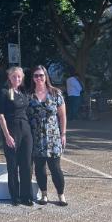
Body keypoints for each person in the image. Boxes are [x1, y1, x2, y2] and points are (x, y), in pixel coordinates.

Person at [28, 65, 68, 206]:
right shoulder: (29, 95)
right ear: (32, 78)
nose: (39, 78)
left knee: (55, 168)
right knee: (39, 168)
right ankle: (44, 194)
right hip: (36, 137)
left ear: (46, 76)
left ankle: (61, 195)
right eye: (36, 75)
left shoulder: (56, 93)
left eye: (41, 75)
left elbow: (62, 116)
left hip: (53, 138)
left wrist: (63, 134)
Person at [0, 66, 34, 206]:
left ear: (22, 78)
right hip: (11, 130)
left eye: (19, 77)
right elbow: (0, 115)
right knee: (12, 165)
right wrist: (7, 135)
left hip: (26, 131)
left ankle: (27, 196)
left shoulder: (23, 92)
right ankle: (14, 196)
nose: (16, 79)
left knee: (26, 165)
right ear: (9, 78)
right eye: (14, 77)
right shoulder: (5, 92)